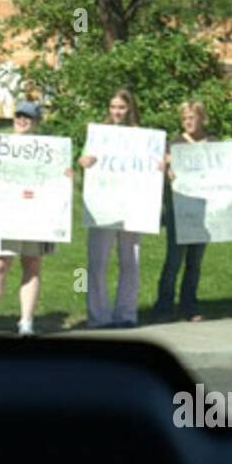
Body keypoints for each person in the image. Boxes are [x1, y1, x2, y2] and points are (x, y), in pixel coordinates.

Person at [0, 100, 71, 337]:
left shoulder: (50, 148)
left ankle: (26, 322)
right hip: (7, 214)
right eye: (18, 116)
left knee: (32, 264)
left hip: (38, 215)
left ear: (36, 121)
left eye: (27, 117)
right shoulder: (0, 143)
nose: (22, 120)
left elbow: (61, 181)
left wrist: (67, 175)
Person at [77, 89, 143, 328]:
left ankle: (126, 313)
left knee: (130, 261)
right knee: (97, 261)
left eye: (122, 107)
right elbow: (84, 159)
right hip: (102, 205)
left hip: (132, 206)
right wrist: (83, 162)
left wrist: (160, 164)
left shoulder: (142, 136)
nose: (117, 112)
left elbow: (155, 163)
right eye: (113, 107)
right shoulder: (98, 135)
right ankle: (98, 315)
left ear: (130, 109)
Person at [152, 100, 217, 323]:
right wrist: (167, 169)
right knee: (174, 258)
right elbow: (164, 173)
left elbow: (223, 177)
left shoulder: (214, 145)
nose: (188, 121)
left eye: (192, 117)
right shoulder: (174, 144)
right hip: (178, 210)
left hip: (204, 211)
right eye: (184, 118)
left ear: (202, 118)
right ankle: (164, 305)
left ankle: (189, 305)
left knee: (195, 261)